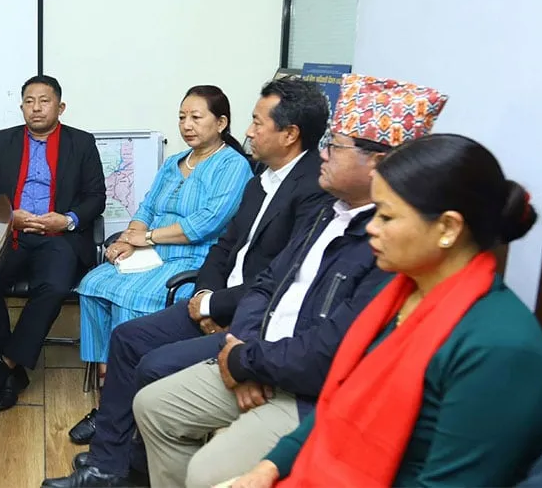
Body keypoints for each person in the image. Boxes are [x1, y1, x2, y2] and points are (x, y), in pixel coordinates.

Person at [122, 75, 448, 488]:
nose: (322, 154)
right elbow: (267, 284)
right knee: (153, 405)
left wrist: (246, 361)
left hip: (303, 389)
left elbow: (332, 345)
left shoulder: (388, 243)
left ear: (379, 163)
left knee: (205, 470)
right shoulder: (329, 211)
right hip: (257, 353)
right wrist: (241, 350)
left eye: (335, 146)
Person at [229, 134, 542, 488]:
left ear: (447, 228)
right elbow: (338, 404)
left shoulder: (500, 348)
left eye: (386, 216)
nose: (371, 227)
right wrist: (269, 467)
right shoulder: (397, 294)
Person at [53, 78, 332, 481]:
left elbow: (273, 278)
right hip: (216, 293)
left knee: (147, 355)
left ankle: (128, 459)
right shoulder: (263, 180)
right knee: (123, 332)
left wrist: (213, 305)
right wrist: (204, 294)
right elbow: (226, 246)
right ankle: (106, 463)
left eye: (257, 122)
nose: (249, 131)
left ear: (289, 134)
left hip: (245, 316)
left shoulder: (310, 192)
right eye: (181, 116)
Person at [76, 86, 252, 376]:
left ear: (221, 123)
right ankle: (107, 368)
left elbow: (205, 223)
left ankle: (127, 376)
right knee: (92, 284)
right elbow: (147, 207)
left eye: (196, 117)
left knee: (129, 296)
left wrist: (145, 238)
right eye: (182, 117)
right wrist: (128, 239)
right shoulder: (174, 162)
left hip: (192, 259)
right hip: (150, 253)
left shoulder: (233, 165)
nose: (186, 125)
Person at [0, 74, 106, 418]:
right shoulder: (0, 142)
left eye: (44, 101)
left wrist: (68, 219)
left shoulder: (81, 143)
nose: (36, 108)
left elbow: (96, 197)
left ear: (60, 107)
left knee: (55, 286)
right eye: (29, 101)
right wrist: (9, 216)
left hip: (58, 236)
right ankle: (7, 371)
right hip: (11, 233)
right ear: (21, 107)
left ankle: (1, 365)